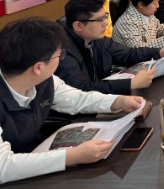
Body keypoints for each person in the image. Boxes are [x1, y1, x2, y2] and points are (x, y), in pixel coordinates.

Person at [0, 18, 144, 184]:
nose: (61, 59)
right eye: (59, 55)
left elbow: (75, 98)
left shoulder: (44, 80)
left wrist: (117, 101)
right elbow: (3, 166)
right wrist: (71, 156)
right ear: (38, 67)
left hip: (37, 163)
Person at [55, 0, 164, 95]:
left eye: (105, 17)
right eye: (99, 20)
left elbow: (129, 53)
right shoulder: (62, 53)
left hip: (102, 99)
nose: (105, 23)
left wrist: (158, 52)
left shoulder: (98, 39)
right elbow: (82, 90)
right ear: (78, 26)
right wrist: (130, 84)